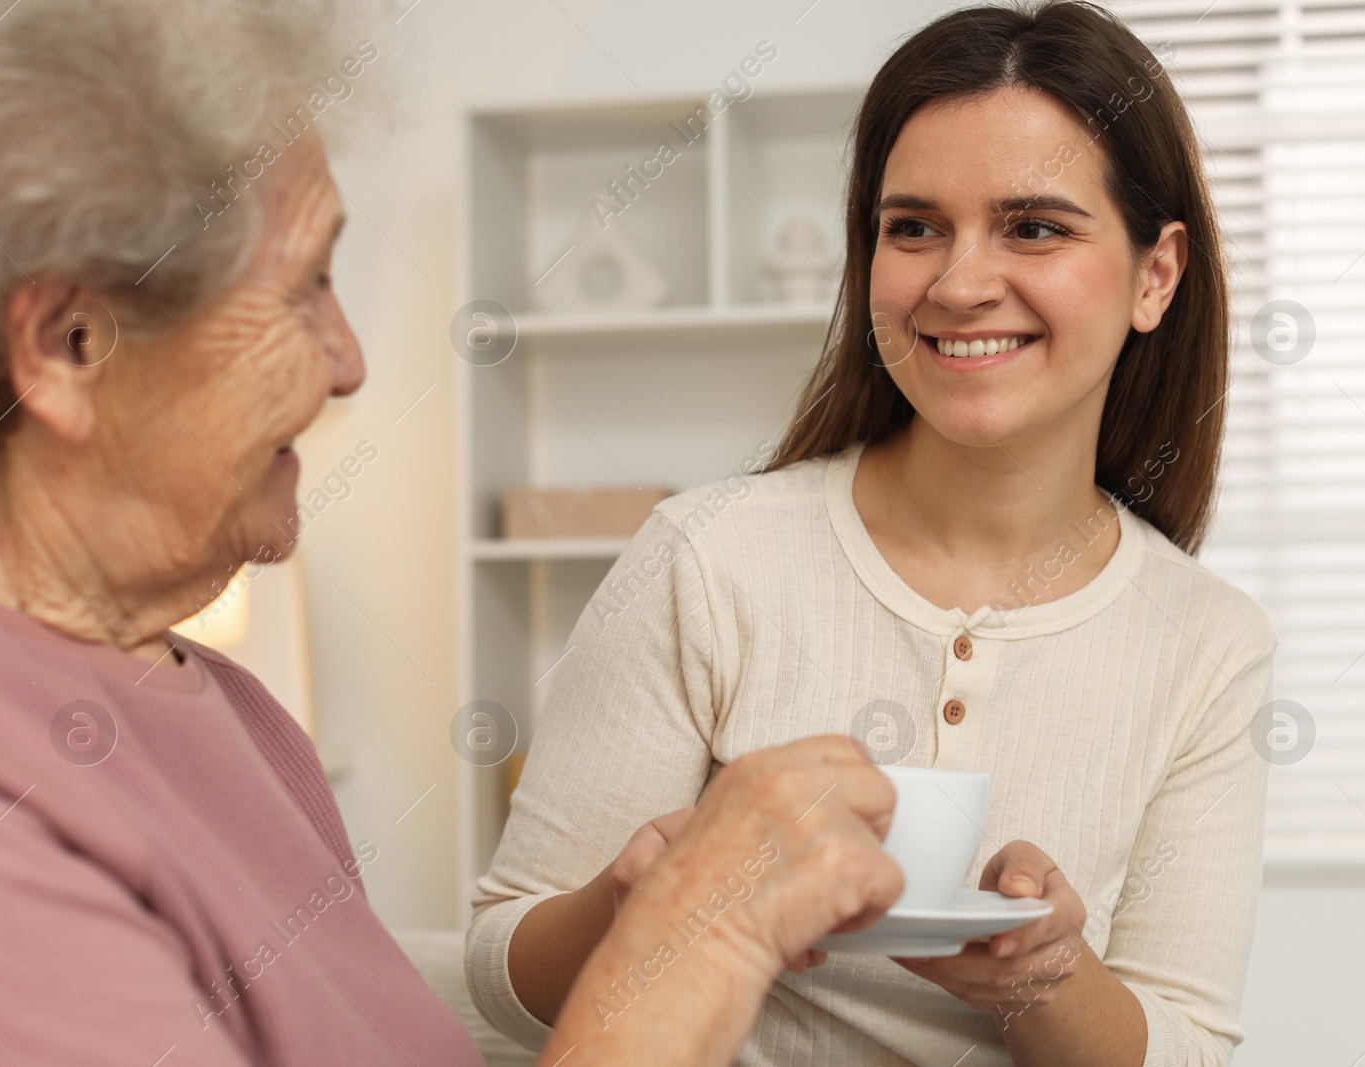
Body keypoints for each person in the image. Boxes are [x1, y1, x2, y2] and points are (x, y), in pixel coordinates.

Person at [0, 2, 912, 1065]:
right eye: (305, 286)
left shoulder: (215, 699)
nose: (350, 362)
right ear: (69, 345)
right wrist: (707, 929)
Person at [467, 2, 1276, 1065]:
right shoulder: (706, 559)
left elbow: (1190, 1046)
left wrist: (1044, 976)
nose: (957, 282)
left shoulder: (1208, 642)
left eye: (1033, 225)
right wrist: (646, 900)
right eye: (913, 226)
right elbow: (498, 970)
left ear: (1154, 275)